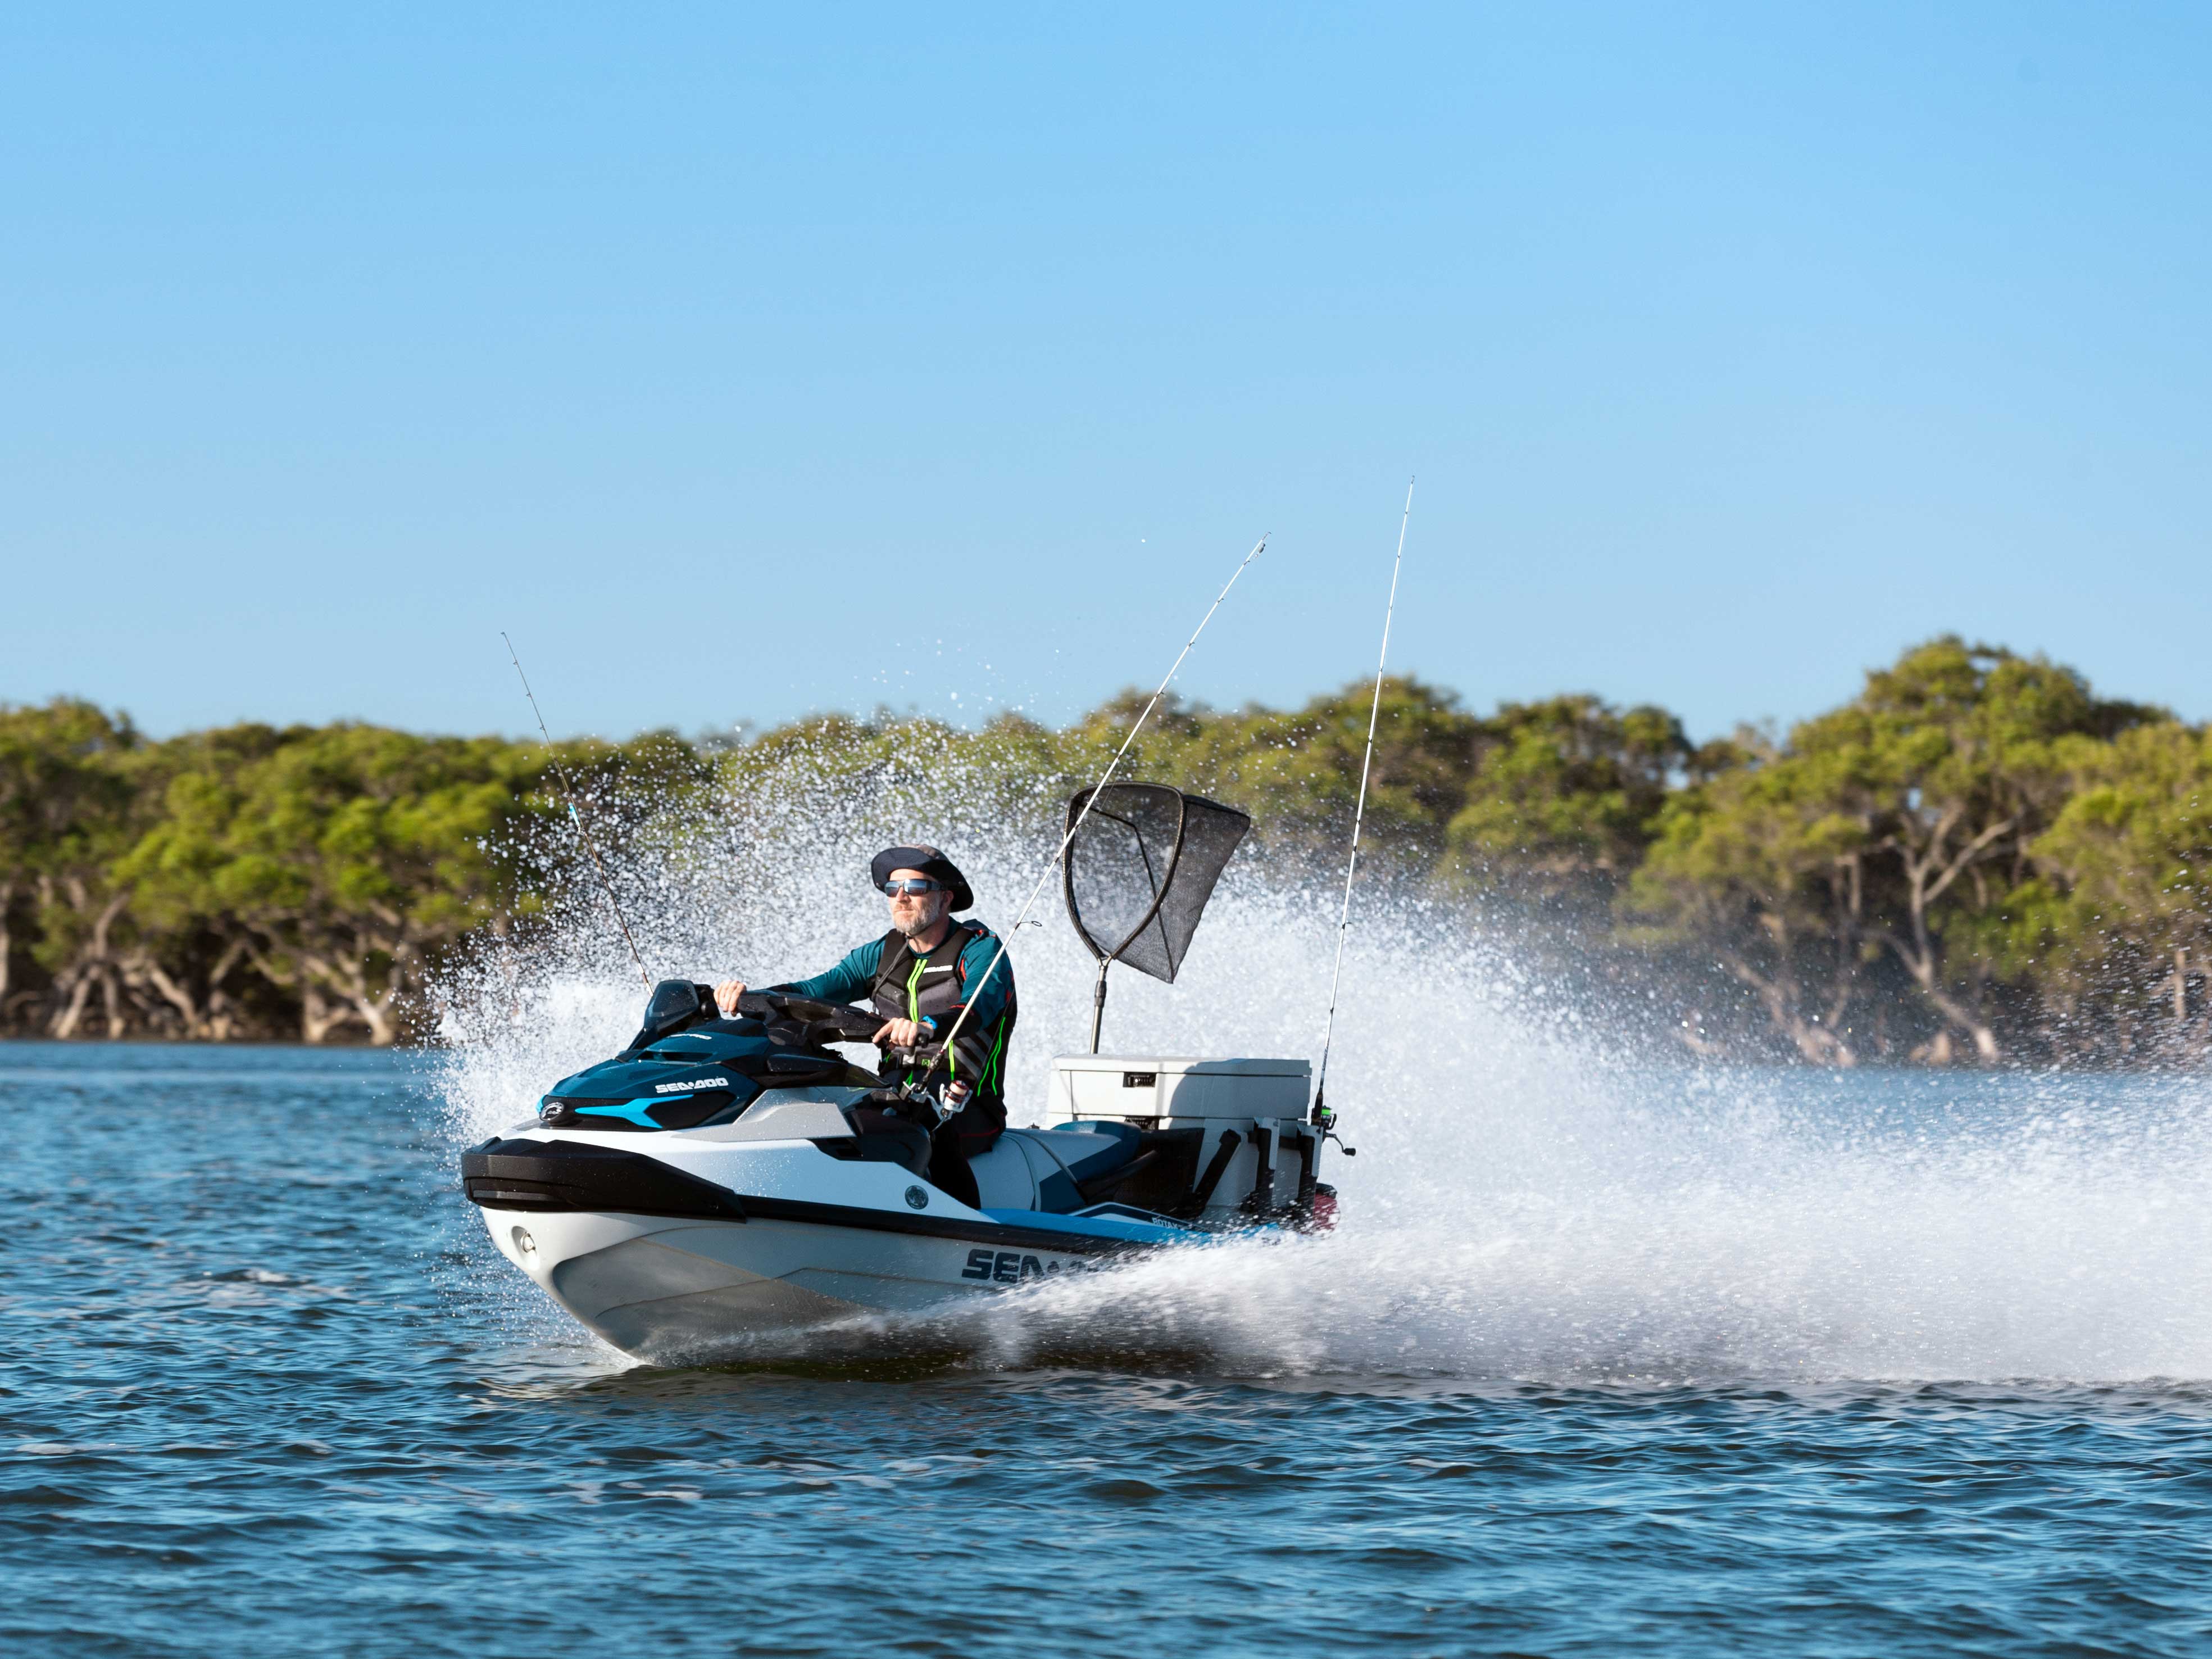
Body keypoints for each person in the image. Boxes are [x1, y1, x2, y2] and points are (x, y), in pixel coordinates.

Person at [714, 844, 1016, 1208]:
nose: (901, 897)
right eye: (893, 889)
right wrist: (748, 997)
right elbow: (813, 991)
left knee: (921, 1120)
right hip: (892, 1094)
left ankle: (966, 1240)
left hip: (967, 1107)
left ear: (945, 897)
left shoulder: (981, 949)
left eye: (915, 887)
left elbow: (979, 1006)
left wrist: (927, 1026)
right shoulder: (879, 955)